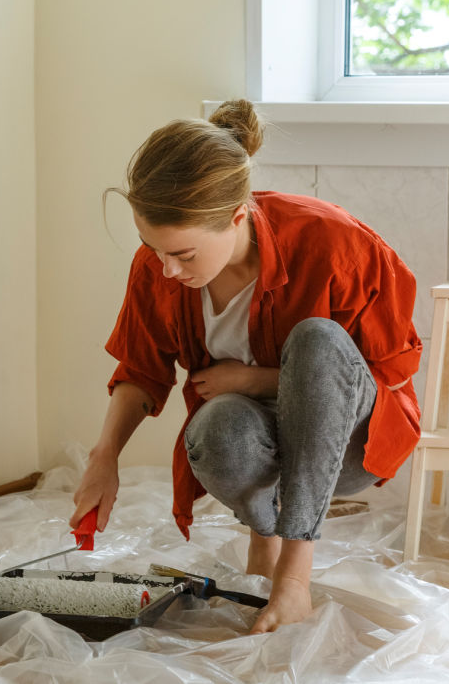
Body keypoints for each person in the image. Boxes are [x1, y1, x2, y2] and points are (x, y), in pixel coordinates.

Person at [70, 99, 422, 634]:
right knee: (216, 426)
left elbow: (388, 371)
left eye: (184, 255)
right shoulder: (159, 267)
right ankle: (264, 535)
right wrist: (104, 457)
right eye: (153, 248)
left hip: (349, 445)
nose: (166, 270)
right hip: (257, 444)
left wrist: (261, 379)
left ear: (238, 217)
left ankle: (292, 575)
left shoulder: (335, 243)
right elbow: (141, 370)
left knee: (317, 339)